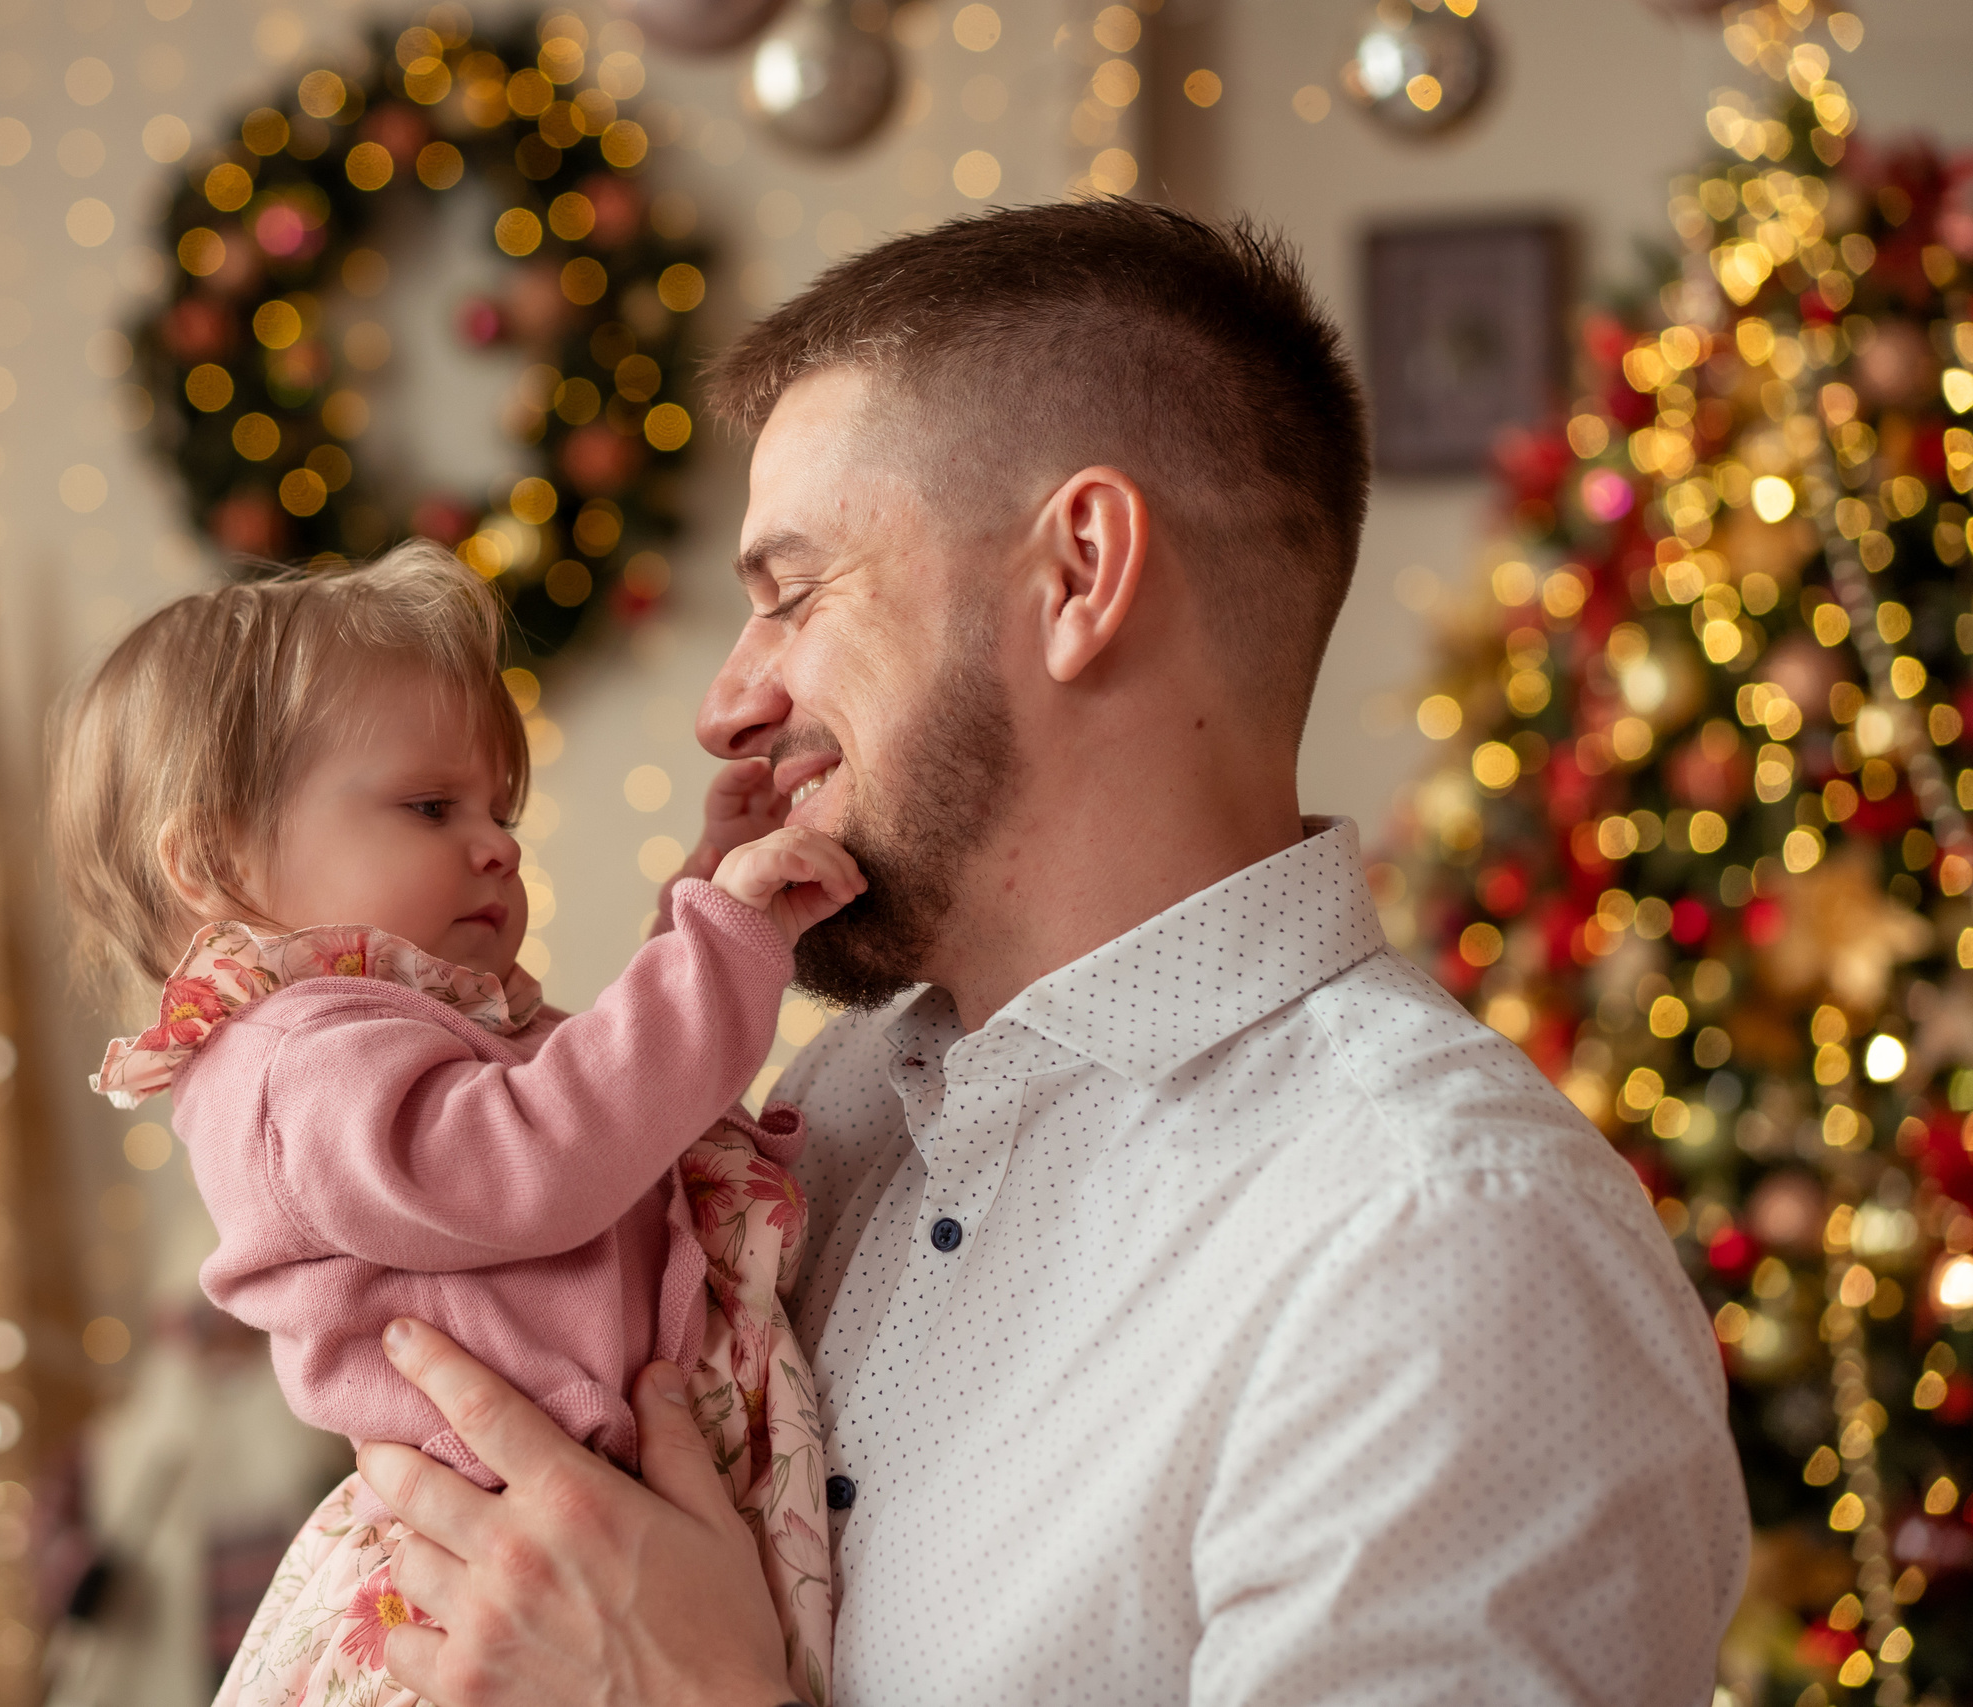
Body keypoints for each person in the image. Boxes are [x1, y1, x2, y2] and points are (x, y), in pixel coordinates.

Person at [347, 199, 1751, 1704]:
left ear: (1080, 569)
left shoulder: (1446, 1248)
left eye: (792, 592)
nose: (729, 703)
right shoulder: (826, 1122)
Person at [47, 546, 862, 1706]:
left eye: (499, 809)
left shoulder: (405, 1031)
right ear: (215, 860)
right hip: (489, 1591)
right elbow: (536, 1160)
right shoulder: (291, 1065)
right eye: (431, 806)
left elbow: (599, 1108)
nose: (498, 844)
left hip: (594, 1541)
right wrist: (723, 948)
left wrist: (708, 888)